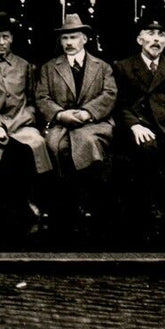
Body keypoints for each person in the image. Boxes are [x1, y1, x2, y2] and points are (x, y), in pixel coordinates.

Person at [112, 16, 165, 219]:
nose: (156, 40)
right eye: (150, 34)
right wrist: (133, 125)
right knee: (146, 149)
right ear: (139, 39)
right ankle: (149, 204)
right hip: (140, 126)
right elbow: (119, 103)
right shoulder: (124, 67)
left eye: (161, 35)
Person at [0, 12, 53, 217]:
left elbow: (33, 101)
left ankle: (32, 198)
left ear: (12, 38)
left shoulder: (24, 66)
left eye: (5, 37)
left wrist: (22, 120)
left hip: (21, 122)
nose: (1, 42)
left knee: (36, 142)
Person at [35, 13, 118, 216]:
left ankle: (90, 201)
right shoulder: (49, 68)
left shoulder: (102, 66)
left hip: (95, 124)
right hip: (61, 125)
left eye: (74, 37)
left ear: (85, 39)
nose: (69, 42)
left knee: (87, 143)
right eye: (65, 38)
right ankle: (67, 204)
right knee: (57, 146)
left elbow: (109, 94)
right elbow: (42, 97)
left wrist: (87, 113)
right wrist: (60, 115)